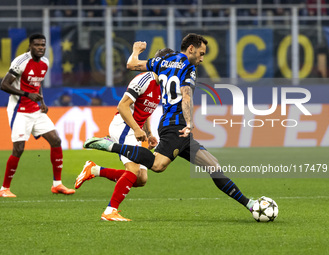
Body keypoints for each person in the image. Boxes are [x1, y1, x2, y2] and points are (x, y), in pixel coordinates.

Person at [84, 34, 258, 216]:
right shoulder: (189, 67)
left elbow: (131, 65)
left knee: (213, 165)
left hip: (175, 127)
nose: (202, 58)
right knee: (158, 165)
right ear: (190, 48)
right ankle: (111, 146)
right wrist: (190, 122)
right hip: (176, 126)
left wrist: (136, 51)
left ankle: (250, 204)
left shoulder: (163, 61)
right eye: (201, 53)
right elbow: (187, 95)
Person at [75, 48, 175, 221]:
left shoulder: (163, 85)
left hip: (135, 129)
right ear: (162, 64)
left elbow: (145, 109)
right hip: (124, 127)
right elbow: (122, 106)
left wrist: (148, 132)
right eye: (171, 64)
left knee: (141, 179)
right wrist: (137, 129)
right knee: (134, 170)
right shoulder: (145, 79)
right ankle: (110, 211)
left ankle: (94, 170)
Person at [0, 33, 75, 197]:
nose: (41, 48)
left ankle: (57, 184)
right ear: (30, 46)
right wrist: (27, 95)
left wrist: (42, 102)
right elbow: (4, 85)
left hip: (35, 109)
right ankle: (4, 188)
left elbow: (37, 84)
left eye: (43, 45)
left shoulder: (45, 63)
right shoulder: (21, 62)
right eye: (37, 45)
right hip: (19, 110)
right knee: (19, 148)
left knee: (56, 140)